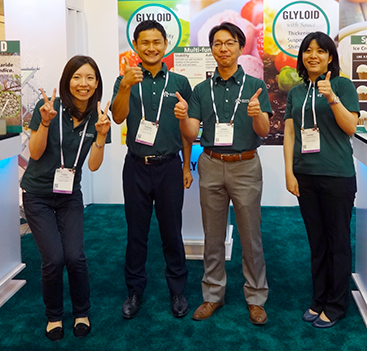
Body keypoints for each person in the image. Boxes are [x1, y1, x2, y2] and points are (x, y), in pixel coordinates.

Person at [174, 21, 272, 326]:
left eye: (230, 43)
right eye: (217, 43)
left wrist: (257, 115)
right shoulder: (201, 90)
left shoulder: (255, 86)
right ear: (211, 49)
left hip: (245, 165)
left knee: (251, 236)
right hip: (212, 164)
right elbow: (191, 132)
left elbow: (264, 130)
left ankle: (256, 297)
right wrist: (182, 117)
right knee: (213, 235)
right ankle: (213, 294)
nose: (223, 48)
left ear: (240, 48)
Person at [21, 55, 111, 341]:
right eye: (77, 77)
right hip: (37, 195)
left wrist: (101, 135)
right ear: (67, 81)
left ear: (97, 83)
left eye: (90, 78)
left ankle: (81, 312)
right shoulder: (48, 108)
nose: (83, 83)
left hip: (69, 195)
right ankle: (54, 315)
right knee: (54, 259)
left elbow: (93, 165)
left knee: (75, 256)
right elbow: (35, 153)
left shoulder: (98, 117)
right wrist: (45, 123)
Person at [111, 20, 193, 320]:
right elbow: (118, 117)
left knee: (172, 231)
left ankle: (177, 290)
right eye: (144, 42)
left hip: (169, 166)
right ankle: (134, 291)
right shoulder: (125, 79)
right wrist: (125, 87)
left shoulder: (180, 82)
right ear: (136, 45)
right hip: (136, 166)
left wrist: (186, 166)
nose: (151, 47)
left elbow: (187, 131)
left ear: (165, 44)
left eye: (156, 42)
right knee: (137, 232)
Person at [283, 32, 359, 329]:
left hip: (337, 175)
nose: (313, 55)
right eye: (307, 50)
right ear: (301, 56)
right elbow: (290, 134)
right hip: (306, 175)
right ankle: (319, 298)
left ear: (330, 57)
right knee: (317, 241)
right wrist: (289, 172)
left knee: (337, 241)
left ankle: (336, 304)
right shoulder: (296, 92)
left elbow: (351, 127)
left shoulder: (342, 85)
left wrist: (332, 98)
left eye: (320, 51)